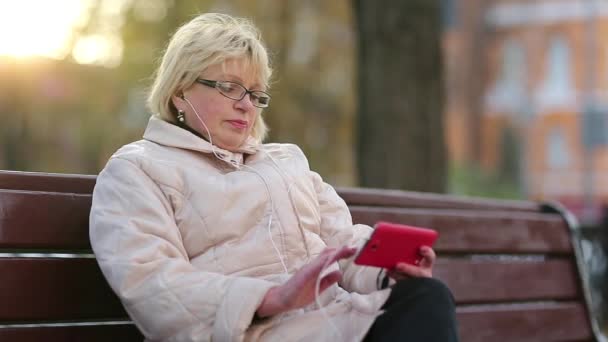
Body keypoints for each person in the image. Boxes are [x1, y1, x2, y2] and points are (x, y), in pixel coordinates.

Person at [89, 12, 458, 342]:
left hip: (332, 323)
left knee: (426, 296)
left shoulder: (286, 161)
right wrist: (271, 298)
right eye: (229, 87)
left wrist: (389, 269)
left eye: (255, 94)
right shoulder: (136, 171)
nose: (246, 104)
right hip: (253, 332)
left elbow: (341, 244)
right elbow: (152, 284)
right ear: (180, 91)